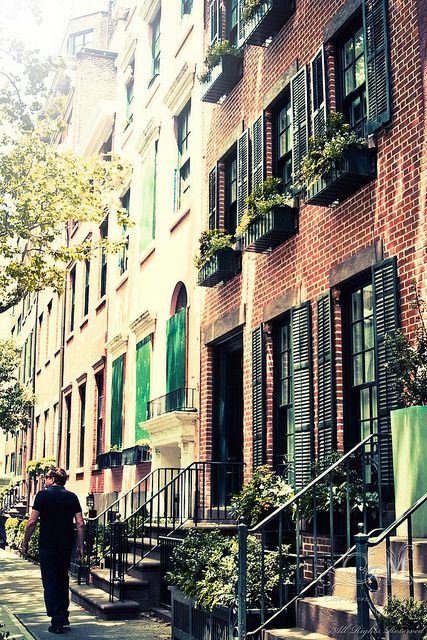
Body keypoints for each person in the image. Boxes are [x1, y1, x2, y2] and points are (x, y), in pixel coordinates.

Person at [22, 467, 85, 635]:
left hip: (48, 545)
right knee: (62, 578)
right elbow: (80, 523)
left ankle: (56, 621)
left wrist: (25, 543)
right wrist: (80, 546)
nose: (45, 480)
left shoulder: (42, 495)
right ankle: (63, 616)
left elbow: (31, 522)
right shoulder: (72, 497)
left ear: (52, 479)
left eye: (46, 477)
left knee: (50, 582)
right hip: (66, 545)